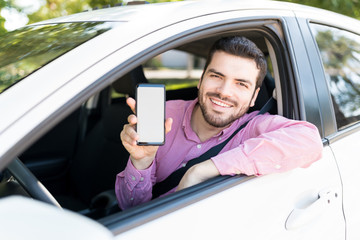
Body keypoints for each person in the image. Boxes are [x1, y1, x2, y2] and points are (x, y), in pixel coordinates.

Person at [115, 36, 323, 210]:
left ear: (253, 97)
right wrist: (141, 162)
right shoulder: (164, 115)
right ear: (201, 80)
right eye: (216, 76)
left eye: (241, 84)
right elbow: (130, 209)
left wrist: (205, 169)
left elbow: (310, 140)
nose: (224, 91)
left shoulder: (254, 128)